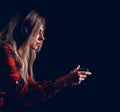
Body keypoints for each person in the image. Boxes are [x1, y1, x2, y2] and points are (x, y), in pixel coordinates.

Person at [0, 10, 92, 111]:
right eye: (38, 32)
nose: (42, 37)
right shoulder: (5, 52)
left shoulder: (17, 57)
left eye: (42, 32)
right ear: (25, 31)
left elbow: (32, 88)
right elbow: (25, 97)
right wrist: (64, 81)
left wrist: (66, 80)